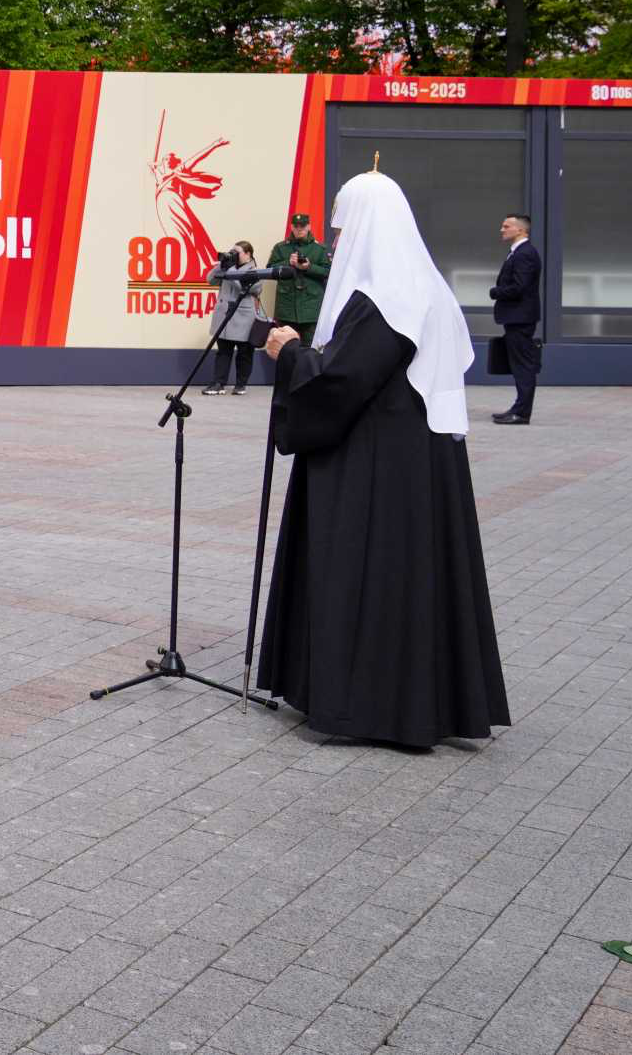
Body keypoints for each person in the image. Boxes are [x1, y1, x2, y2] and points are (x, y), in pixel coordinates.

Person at [257, 170, 511, 749]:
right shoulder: (424, 288)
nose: (337, 242)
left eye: (343, 231)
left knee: (374, 577)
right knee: (411, 580)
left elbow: (343, 381)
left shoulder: (386, 299)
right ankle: (412, 701)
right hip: (418, 462)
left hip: (377, 466)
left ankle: (369, 708)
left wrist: (290, 353)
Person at [489, 212, 541, 425]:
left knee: (523, 366)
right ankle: (518, 408)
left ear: (521, 230)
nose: (502, 229)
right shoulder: (518, 252)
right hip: (516, 317)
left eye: (506, 226)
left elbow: (520, 287)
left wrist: (496, 292)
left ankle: (521, 413)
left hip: (520, 317)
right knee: (519, 365)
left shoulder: (524, 254)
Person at [202, 241, 265, 397]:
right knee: (223, 352)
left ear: (248, 254)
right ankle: (218, 383)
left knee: (244, 353)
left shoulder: (254, 271)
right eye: (232, 252)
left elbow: (252, 288)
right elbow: (210, 279)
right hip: (224, 316)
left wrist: (231, 270)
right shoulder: (228, 267)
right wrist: (221, 266)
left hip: (243, 318)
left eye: (237, 253)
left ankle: (240, 384)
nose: (234, 255)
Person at [275, 212, 330, 336]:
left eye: (303, 226)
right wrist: (288, 262)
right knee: (284, 344)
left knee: (309, 346)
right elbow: (271, 269)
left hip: (310, 309)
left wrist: (309, 267)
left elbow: (327, 272)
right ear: (291, 227)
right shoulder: (280, 248)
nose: (299, 229)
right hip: (286, 308)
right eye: (296, 226)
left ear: (309, 226)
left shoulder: (320, 249)